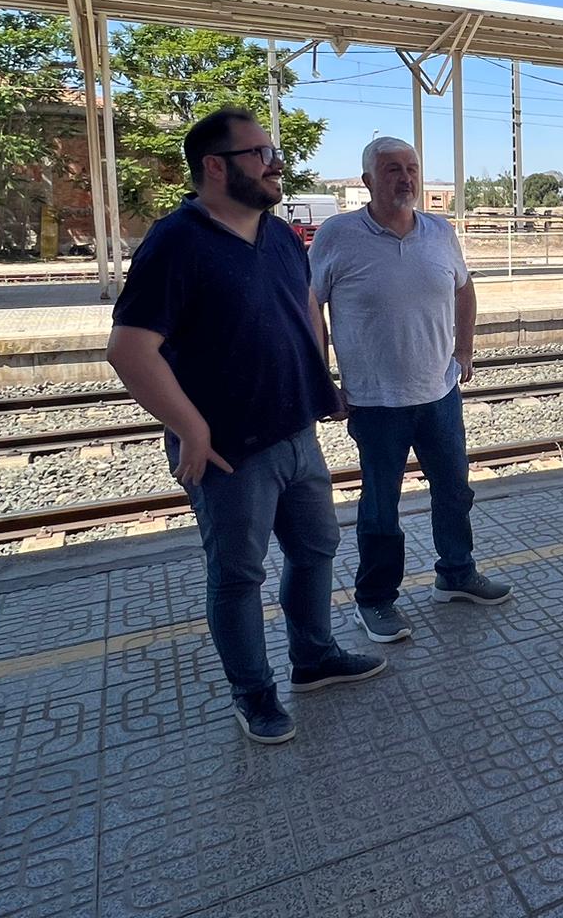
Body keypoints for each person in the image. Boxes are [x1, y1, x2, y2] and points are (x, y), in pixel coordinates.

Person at [107, 107, 386, 746]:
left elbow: (303, 316)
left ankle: (313, 659)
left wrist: (323, 382)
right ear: (214, 166)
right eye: (259, 153)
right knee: (238, 575)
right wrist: (192, 431)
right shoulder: (176, 241)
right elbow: (129, 348)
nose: (275, 163)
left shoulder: (283, 237)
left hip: (296, 433)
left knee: (316, 550)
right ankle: (253, 694)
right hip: (231, 451)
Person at [309, 136, 511, 645]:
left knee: (454, 491)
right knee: (381, 508)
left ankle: (457, 573)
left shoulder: (440, 232)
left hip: (439, 391)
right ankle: (375, 601)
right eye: (393, 169)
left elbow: (464, 288)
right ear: (367, 181)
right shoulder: (337, 235)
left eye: (412, 168)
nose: (406, 178)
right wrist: (321, 375)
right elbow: (309, 306)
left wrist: (464, 352)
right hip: (376, 401)